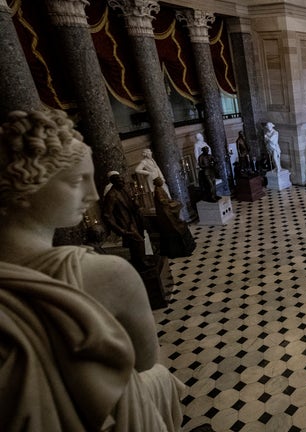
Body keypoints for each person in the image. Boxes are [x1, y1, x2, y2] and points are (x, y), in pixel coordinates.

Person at [0, 109, 184, 431]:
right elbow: (143, 361)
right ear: (27, 184)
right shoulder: (108, 274)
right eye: (76, 181)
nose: (93, 195)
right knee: (161, 379)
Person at [103, 171, 148, 268]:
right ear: (114, 183)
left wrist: (135, 203)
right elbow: (107, 216)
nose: (123, 184)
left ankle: (140, 261)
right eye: (121, 182)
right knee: (138, 241)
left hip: (133, 220)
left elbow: (130, 204)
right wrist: (120, 230)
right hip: (125, 223)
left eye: (123, 182)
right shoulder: (111, 196)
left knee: (137, 243)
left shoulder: (122, 190)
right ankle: (142, 262)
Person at [153, 177, 196, 258]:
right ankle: (184, 249)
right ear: (157, 182)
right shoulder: (157, 190)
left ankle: (188, 246)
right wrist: (169, 202)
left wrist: (171, 201)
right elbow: (162, 201)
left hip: (167, 209)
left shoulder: (160, 188)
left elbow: (166, 199)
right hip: (166, 213)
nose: (162, 181)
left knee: (178, 208)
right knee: (177, 228)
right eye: (160, 181)